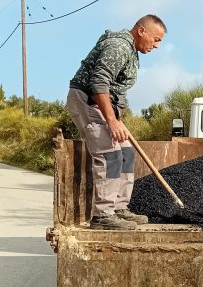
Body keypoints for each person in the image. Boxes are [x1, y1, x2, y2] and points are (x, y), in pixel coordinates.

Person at [66, 14, 166, 230]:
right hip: (87, 101)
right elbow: (99, 83)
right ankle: (103, 215)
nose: (156, 45)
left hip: (102, 104)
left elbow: (114, 90)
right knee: (110, 155)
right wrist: (111, 121)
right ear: (141, 31)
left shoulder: (131, 50)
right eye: (156, 39)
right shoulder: (119, 47)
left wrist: (116, 117)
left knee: (126, 152)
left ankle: (119, 207)